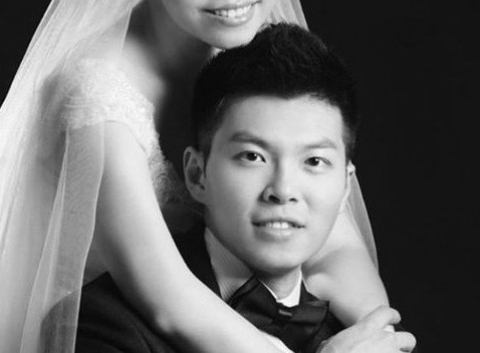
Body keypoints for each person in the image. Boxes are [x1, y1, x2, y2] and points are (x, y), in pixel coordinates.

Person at [0, 0, 386, 352]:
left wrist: (374, 333)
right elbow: (166, 296)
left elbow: (335, 245)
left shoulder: (249, 43)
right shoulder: (95, 94)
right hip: (111, 333)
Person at [75, 22, 416, 353]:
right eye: (253, 156)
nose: (283, 190)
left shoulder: (370, 338)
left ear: (345, 187)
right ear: (197, 175)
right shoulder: (105, 323)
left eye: (314, 161)